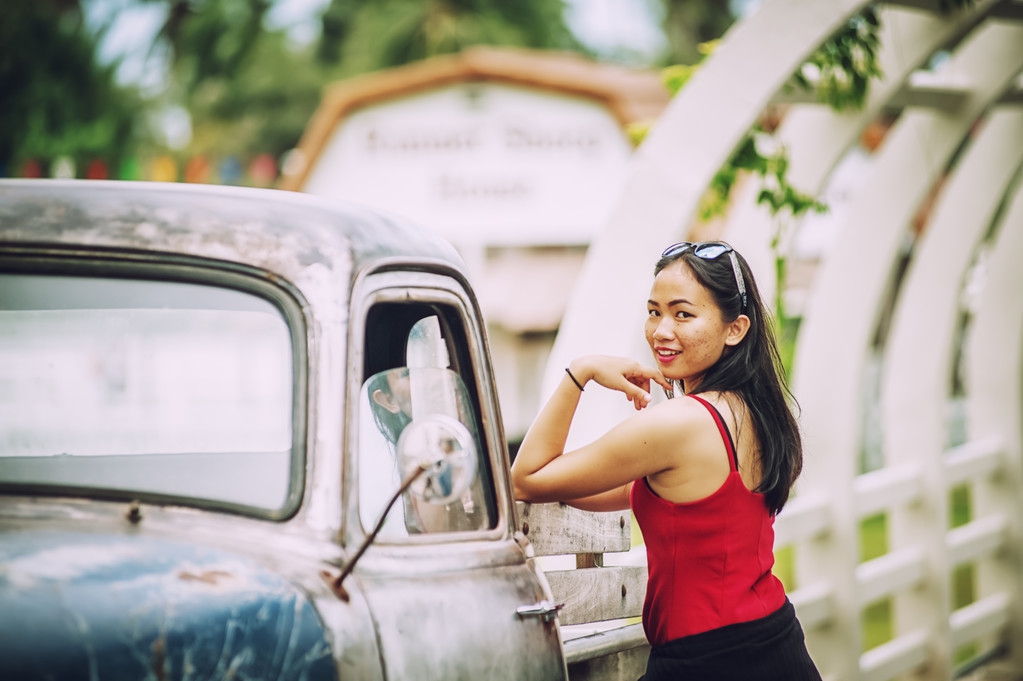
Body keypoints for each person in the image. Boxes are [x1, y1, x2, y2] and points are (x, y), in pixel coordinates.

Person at [511, 241, 821, 681]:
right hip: (777, 646)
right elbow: (607, 489)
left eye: (683, 314)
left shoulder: (680, 423)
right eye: (654, 311)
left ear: (735, 329)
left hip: (707, 663)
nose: (660, 330)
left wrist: (579, 372)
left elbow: (526, 478)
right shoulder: (756, 413)